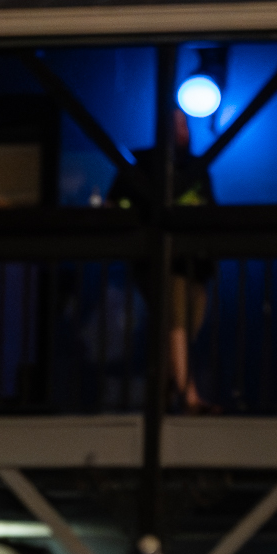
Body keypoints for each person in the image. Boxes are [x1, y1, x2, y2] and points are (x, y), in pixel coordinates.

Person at [109, 109, 216, 410]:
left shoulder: (196, 166)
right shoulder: (142, 162)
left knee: (186, 324)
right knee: (176, 320)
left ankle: (167, 389)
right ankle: (189, 394)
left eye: (185, 124)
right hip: (162, 260)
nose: (184, 130)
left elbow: (211, 208)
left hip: (197, 262)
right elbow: (112, 201)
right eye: (176, 124)